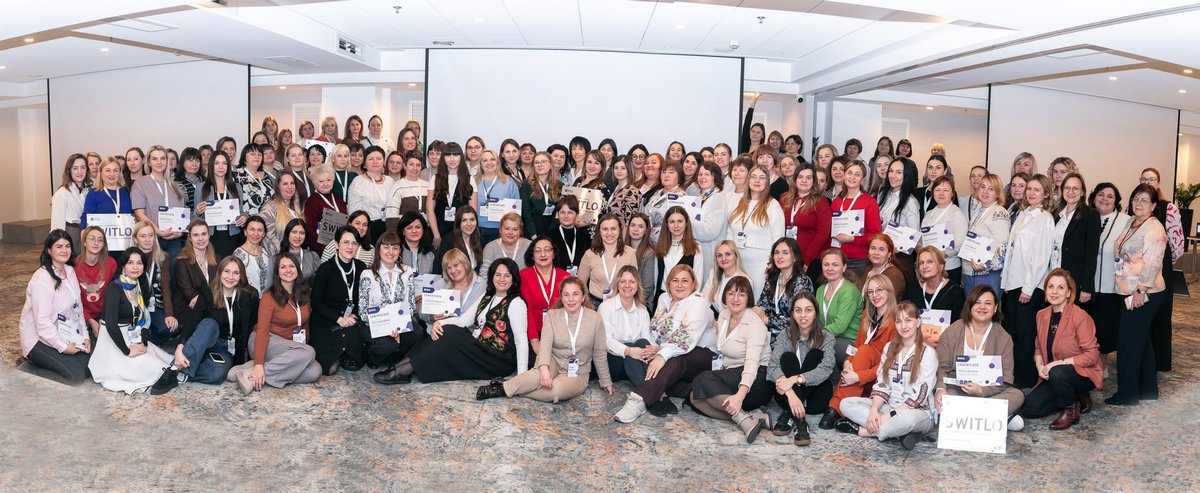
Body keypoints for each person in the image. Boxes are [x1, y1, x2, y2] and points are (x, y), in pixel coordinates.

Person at [476, 276, 613, 402]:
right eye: (566, 295)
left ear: (583, 297)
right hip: (552, 361)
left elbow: (599, 353)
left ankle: (513, 387)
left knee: (555, 391)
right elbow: (545, 345)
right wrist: (543, 369)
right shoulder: (552, 315)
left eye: (575, 294)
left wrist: (606, 382)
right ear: (561, 298)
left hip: (577, 373)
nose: (570, 299)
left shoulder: (595, 319)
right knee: (537, 376)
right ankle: (500, 389)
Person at [613, 265, 716, 423]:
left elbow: (685, 339)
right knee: (638, 349)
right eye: (675, 280)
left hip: (702, 355)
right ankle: (662, 394)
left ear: (693, 284)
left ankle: (639, 399)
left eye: (684, 281)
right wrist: (654, 349)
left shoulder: (698, 304)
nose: (679, 285)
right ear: (668, 283)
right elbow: (654, 331)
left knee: (674, 359)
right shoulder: (664, 298)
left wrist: (661, 355)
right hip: (670, 351)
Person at [400, 258, 529, 382]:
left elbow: (521, 341)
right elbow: (464, 320)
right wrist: (439, 323)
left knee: (451, 333)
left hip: (498, 359)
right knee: (445, 330)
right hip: (480, 349)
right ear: (492, 277)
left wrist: (522, 377)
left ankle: (402, 371)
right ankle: (400, 368)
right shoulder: (487, 296)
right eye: (498, 275)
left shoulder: (516, 303)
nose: (502, 279)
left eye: (507, 276)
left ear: (513, 279)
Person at [838, 301, 938, 450]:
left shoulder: (928, 353)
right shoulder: (889, 348)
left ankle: (864, 431)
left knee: (906, 420)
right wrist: (874, 411)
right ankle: (899, 433)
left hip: (917, 412)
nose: (903, 326)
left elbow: (920, 397)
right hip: (888, 406)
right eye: (898, 321)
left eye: (908, 320)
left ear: (918, 322)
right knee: (846, 404)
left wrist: (888, 416)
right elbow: (882, 384)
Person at [151, 256, 255, 394]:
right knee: (210, 324)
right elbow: (192, 321)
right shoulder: (208, 292)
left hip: (227, 350)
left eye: (236, 273)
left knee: (216, 374)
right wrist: (180, 346)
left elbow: (254, 326)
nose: (230, 277)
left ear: (241, 275)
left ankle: (181, 374)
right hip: (205, 342)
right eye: (227, 271)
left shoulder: (249, 296)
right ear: (220, 272)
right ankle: (175, 368)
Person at [688, 276, 773, 443]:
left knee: (703, 379)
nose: (735, 298)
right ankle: (750, 417)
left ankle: (744, 419)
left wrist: (740, 395)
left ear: (748, 298)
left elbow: (752, 364)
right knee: (694, 398)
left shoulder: (755, 325)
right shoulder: (724, 316)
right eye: (731, 293)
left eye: (741, 294)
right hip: (734, 373)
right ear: (725, 296)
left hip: (757, 380)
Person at [1106, 184, 1169, 405]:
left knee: (1128, 343)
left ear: (1153, 205)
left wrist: (1141, 290)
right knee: (1142, 341)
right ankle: (1147, 389)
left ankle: (1127, 394)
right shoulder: (1132, 222)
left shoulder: (1154, 228)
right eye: (1135, 199)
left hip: (1145, 292)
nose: (1139, 203)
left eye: (1144, 200)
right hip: (1129, 290)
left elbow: (1153, 263)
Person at [935, 285, 1027, 430]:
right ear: (970, 306)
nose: (982, 307)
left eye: (988, 303)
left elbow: (1007, 378)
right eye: (977, 302)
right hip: (958, 389)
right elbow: (942, 367)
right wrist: (941, 389)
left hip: (990, 393)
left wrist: (982, 391)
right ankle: (996, 416)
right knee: (944, 395)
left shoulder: (1004, 338)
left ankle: (965, 415)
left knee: (1017, 395)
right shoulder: (953, 330)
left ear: (995, 308)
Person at [1022, 269, 1102, 429]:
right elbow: (1038, 346)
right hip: (1054, 375)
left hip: (1082, 373)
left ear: (1068, 293)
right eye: (1050, 286)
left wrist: (1056, 364)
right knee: (1030, 409)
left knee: (1057, 372)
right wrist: (1039, 365)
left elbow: (1092, 355)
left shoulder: (1080, 316)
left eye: (1060, 287)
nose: (1054, 291)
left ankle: (1070, 410)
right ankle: (1074, 396)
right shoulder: (1041, 315)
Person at [88, 248, 174, 393]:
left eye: (139, 263)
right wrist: (127, 351)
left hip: (131, 335)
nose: (135, 267)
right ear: (123, 266)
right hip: (114, 342)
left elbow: (143, 318)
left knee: (165, 362)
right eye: (130, 263)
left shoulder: (139, 286)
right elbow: (111, 325)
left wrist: (142, 342)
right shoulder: (114, 288)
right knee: (156, 370)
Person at [236, 252, 321, 394]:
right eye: (283, 267)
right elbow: (262, 331)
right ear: (277, 272)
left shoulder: (305, 294)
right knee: (309, 352)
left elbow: (304, 325)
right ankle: (255, 372)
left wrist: (300, 351)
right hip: (263, 341)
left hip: (289, 348)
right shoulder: (269, 297)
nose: (288, 270)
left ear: (297, 270)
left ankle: (254, 372)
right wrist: (259, 362)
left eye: (291, 266)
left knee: (315, 370)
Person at [1001, 174, 1055, 388]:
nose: (1031, 193)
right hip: (1013, 284)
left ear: (1046, 194)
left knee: (1025, 335)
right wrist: (1005, 283)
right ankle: (1012, 376)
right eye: (1029, 189)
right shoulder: (1023, 214)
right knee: (1012, 333)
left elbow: (1041, 257)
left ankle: (1026, 379)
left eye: (1037, 190)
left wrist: (1029, 287)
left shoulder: (1045, 218)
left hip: (1028, 286)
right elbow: (1012, 250)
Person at [821, 273, 895, 429]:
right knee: (862, 351)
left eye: (879, 290)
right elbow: (856, 345)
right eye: (870, 292)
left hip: (882, 377)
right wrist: (848, 361)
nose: (875, 295)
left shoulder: (895, 322)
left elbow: (890, 364)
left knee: (866, 350)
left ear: (889, 291)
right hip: (862, 369)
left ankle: (835, 407)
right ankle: (837, 407)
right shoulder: (867, 315)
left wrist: (858, 376)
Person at [19, 230, 91, 384]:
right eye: (58, 246)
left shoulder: (70, 271)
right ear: (49, 250)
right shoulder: (42, 279)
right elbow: (43, 323)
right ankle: (29, 366)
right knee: (76, 376)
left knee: (89, 367)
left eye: (67, 246)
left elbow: (78, 309)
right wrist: (63, 347)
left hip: (65, 331)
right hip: (38, 339)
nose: (64, 250)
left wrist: (84, 336)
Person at [765, 291, 836, 446]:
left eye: (808, 310)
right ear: (792, 314)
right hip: (786, 397)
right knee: (787, 358)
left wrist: (794, 379)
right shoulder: (785, 335)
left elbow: (827, 368)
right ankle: (801, 422)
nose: (803, 315)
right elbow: (772, 366)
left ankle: (789, 415)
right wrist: (791, 395)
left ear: (815, 314)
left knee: (815, 355)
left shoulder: (826, 337)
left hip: (816, 400)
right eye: (798, 310)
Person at [356, 233, 427, 384]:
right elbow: (363, 311)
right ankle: (373, 358)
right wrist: (387, 328)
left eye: (395, 248)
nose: (390, 252)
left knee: (418, 332)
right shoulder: (367, 274)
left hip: (399, 321)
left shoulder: (407, 271)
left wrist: (399, 327)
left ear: (400, 251)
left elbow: (410, 305)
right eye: (386, 247)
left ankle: (394, 359)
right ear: (379, 249)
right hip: (375, 323)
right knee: (387, 345)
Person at [1139, 167, 1183, 372]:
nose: (1148, 182)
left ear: (1158, 183)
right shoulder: (1133, 206)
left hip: (1160, 269)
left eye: (1152, 179)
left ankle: (1159, 362)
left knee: (1160, 316)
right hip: (1136, 270)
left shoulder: (1169, 208)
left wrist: (1161, 263)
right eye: (1144, 178)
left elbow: (1177, 244)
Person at [310, 226, 368, 374]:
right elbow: (316, 303)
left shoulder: (361, 268)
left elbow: (364, 297)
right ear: (337, 244)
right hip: (327, 320)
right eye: (345, 242)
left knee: (355, 361)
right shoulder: (325, 269)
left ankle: (346, 353)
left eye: (354, 243)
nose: (350, 247)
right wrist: (338, 319)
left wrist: (355, 314)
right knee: (330, 369)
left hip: (351, 319)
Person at [1086, 182, 1130, 374]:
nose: (1104, 199)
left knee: (1104, 332)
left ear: (1116, 201)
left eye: (1110, 196)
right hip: (1087, 286)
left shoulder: (1125, 221)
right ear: (1093, 198)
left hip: (1110, 287)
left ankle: (1099, 370)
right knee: (1087, 331)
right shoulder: (1086, 217)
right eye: (1101, 194)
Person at [726, 165, 785, 296]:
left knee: (756, 301)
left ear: (767, 182)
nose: (757, 181)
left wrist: (772, 263)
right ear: (748, 180)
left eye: (762, 178)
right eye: (753, 177)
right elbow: (730, 231)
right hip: (738, 263)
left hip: (761, 266)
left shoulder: (773, 206)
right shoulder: (738, 203)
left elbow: (778, 238)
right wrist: (730, 256)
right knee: (739, 299)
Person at [642, 206, 706, 314]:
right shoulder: (660, 247)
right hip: (662, 300)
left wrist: (692, 305)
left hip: (685, 301)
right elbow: (656, 279)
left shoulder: (696, 249)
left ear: (686, 223)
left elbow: (697, 282)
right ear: (667, 224)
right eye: (672, 222)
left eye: (680, 221)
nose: (676, 226)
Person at [753, 238, 814, 348]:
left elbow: (800, 318)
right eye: (776, 252)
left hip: (793, 337)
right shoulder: (772, 278)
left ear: (795, 257)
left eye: (785, 253)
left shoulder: (802, 281)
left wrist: (768, 320)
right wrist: (756, 311)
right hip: (769, 333)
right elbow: (762, 304)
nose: (779, 256)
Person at [597, 265, 654, 384]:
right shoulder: (606, 307)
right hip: (614, 361)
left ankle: (646, 388)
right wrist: (629, 351)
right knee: (630, 346)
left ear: (637, 285)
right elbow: (606, 342)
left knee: (643, 342)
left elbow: (647, 338)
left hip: (637, 360)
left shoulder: (642, 310)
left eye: (632, 282)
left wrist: (654, 350)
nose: (627, 286)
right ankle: (649, 389)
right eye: (623, 281)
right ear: (617, 284)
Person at [130, 146, 187, 261]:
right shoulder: (140, 183)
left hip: (174, 240)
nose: (159, 162)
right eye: (155, 159)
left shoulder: (175, 186)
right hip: (151, 238)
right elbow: (139, 214)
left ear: (167, 161)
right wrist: (158, 231)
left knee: (173, 270)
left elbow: (182, 216)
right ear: (149, 162)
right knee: (153, 270)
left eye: (162, 158)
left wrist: (180, 233)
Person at [1052, 173, 1101, 306]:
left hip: (1075, 281)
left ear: (1082, 192)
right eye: (1067, 188)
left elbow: (1092, 254)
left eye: (1075, 188)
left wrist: (1086, 286)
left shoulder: (1091, 215)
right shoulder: (1056, 214)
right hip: (1053, 277)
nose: (1071, 192)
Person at [520, 237, 571, 356]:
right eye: (538, 250)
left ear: (554, 253)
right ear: (532, 255)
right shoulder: (523, 276)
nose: (543, 254)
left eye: (547, 250)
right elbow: (527, 310)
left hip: (560, 332)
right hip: (534, 332)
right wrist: (535, 341)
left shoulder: (565, 276)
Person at [961, 173, 1010, 295]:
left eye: (991, 189)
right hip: (971, 273)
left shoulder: (999, 212)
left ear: (998, 193)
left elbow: (1001, 246)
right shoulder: (981, 211)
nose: (985, 191)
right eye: (983, 187)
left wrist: (986, 265)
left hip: (986, 275)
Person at [907, 246, 966, 345]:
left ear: (941, 266)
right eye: (921, 263)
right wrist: (920, 340)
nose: (924, 266)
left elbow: (959, 327)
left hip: (947, 345)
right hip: (916, 344)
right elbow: (905, 320)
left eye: (930, 262)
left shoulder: (956, 292)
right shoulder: (911, 289)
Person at [131, 220, 177, 347]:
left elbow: (166, 287)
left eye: (151, 235)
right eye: (143, 236)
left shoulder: (163, 257)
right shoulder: (129, 258)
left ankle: (150, 342)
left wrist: (169, 314)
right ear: (135, 239)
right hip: (135, 304)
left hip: (155, 304)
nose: (147, 239)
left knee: (170, 328)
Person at [831, 160, 882, 273]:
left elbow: (876, 234)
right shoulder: (836, 202)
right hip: (836, 257)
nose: (852, 177)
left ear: (862, 179)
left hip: (858, 260)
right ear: (844, 175)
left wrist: (852, 238)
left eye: (857, 174)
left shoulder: (869, 202)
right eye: (849, 173)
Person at [815, 248, 864, 366]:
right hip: (828, 337)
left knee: (820, 347)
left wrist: (815, 337)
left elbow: (839, 326)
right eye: (826, 264)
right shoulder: (820, 290)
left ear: (844, 267)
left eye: (835, 265)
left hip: (851, 343)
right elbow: (816, 320)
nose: (830, 268)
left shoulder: (849, 291)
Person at [194, 151, 246, 258]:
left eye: (224, 163)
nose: (221, 167)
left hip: (232, 236)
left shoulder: (236, 187)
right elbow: (194, 219)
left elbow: (241, 212)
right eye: (217, 163)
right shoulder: (201, 187)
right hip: (211, 237)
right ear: (211, 166)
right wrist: (197, 212)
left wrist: (244, 217)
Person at [784, 164, 832, 281]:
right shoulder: (784, 199)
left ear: (814, 181)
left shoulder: (821, 202)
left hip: (810, 260)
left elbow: (822, 234)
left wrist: (806, 260)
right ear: (795, 179)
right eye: (800, 177)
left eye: (808, 177)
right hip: (787, 256)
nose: (804, 180)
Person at [577, 215, 637, 306]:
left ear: (620, 230)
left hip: (621, 304)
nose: (609, 233)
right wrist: (588, 303)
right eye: (605, 229)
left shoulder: (630, 253)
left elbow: (634, 282)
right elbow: (580, 283)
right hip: (595, 305)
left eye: (613, 229)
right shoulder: (589, 254)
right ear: (599, 231)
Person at [427, 142, 477, 250]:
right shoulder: (435, 179)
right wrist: (436, 235)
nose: (452, 159)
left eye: (456, 155)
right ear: (443, 158)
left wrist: (466, 235)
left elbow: (472, 210)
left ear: (461, 157)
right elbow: (429, 209)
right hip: (439, 232)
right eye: (448, 155)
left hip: (462, 233)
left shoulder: (470, 179)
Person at [919, 176, 968, 284]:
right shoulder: (928, 214)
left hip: (949, 267)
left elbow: (959, 244)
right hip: (928, 268)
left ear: (952, 193)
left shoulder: (957, 214)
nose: (941, 193)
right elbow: (922, 240)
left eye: (945, 190)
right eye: (937, 190)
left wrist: (941, 255)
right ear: (933, 192)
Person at [473, 149, 520, 245]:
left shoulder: (509, 182)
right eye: (485, 160)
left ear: (497, 162)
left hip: (501, 230)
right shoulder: (473, 181)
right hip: (476, 229)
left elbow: (516, 209)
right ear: (480, 164)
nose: (489, 163)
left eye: (492, 159)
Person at [76, 226, 116, 337]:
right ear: (84, 242)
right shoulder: (74, 266)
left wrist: (104, 318)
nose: (96, 243)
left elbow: (113, 295)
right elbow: (72, 300)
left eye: (100, 240)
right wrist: (89, 319)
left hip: (104, 313)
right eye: (92, 239)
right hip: (80, 313)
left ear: (103, 245)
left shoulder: (111, 264)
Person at [347, 146, 394, 242]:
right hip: (367, 229)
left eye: (379, 158)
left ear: (384, 161)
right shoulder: (358, 182)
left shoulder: (390, 181)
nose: (375, 162)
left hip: (388, 227)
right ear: (365, 162)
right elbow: (353, 212)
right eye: (371, 159)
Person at [81, 157, 134, 236]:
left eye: (115, 170)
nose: (112, 174)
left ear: (120, 173)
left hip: (126, 240)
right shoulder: (93, 194)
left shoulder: (127, 192)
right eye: (108, 170)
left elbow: (134, 217)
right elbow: (86, 219)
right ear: (101, 172)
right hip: (100, 241)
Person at [51, 154, 90, 254]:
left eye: (83, 167)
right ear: (69, 171)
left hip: (88, 233)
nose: (80, 172)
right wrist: (59, 245)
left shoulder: (89, 191)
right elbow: (57, 224)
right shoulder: (61, 193)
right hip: (71, 234)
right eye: (75, 168)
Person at [691, 162, 729, 263]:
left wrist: (686, 220)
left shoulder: (717, 198)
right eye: (700, 174)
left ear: (715, 178)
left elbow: (709, 231)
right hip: (699, 251)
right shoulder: (700, 197)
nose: (702, 177)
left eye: (707, 174)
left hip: (709, 252)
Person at [519, 151, 562, 238]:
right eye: (536, 162)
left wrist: (552, 233)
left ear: (550, 165)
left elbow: (558, 212)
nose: (539, 165)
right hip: (532, 230)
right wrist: (533, 234)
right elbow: (526, 212)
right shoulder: (526, 184)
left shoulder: (559, 185)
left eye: (543, 162)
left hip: (552, 230)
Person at [259, 171, 304, 253]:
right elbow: (269, 238)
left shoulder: (296, 206)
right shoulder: (269, 208)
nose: (289, 187)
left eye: (292, 183)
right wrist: (287, 253)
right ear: (278, 187)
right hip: (280, 256)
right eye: (285, 184)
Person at [643, 160, 687, 240]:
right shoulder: (657, 193)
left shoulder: (681, 197)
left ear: (679, 176)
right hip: (649, 239)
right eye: (663, 172)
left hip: (667, 240)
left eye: (671, 172)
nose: (666, 175)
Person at [702, 240, 749, 314]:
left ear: (736, 256)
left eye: (728, 254)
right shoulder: (714, 273)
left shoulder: (744, 280)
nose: (723, 259)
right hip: (714, 316)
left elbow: (738, 313)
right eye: (719, 255)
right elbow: (704, 299)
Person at [547, 195, 591, 273]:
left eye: (570, 212)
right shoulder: (549, 236)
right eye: (562, 212)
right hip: (556, 277)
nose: (566, 216)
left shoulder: (585, 237)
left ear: (577, 214)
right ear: (557, 214)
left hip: (580, 278)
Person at [433, 205, 483, 275]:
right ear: (458, 222)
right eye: (464, 220)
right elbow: (440, 268)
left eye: (472, 220)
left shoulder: (479, 238)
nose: (469, 224)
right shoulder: (449, 241)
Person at [233, 216, 273, 295]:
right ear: (245, 232)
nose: (256, 234)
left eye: (260, 230)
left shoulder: (265, 253)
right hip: (247, 299)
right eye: (252, 229)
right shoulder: (238, 254)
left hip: (266, 298)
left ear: (264, 234)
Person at [385, 150, 429, 223]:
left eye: (418, 165)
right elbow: (391, 217)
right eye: (411, 164)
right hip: (404, 229)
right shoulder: (397, 187)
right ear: (405, 166)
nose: (415, 168)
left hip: (424, 228)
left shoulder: (427, 186)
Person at [234, 144, 275, 216]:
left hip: (268, 219)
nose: (257, 157)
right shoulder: (236, 175)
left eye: (259, 154)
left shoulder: (265, 175)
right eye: (252, 154)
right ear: (244, 157)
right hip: (247, 220)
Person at [605, 156, 644, 226]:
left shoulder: (632, 192)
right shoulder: (616, 188)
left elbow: (630, 221)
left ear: (629, 170)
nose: (619, 171)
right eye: (616, 168)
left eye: (623, 168)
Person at [278, 218, 319, 284]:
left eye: (302, 233)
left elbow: (319, 282)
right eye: (294, 232)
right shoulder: (276, 259)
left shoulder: (313, 257)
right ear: (288, 234)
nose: (298, 236)